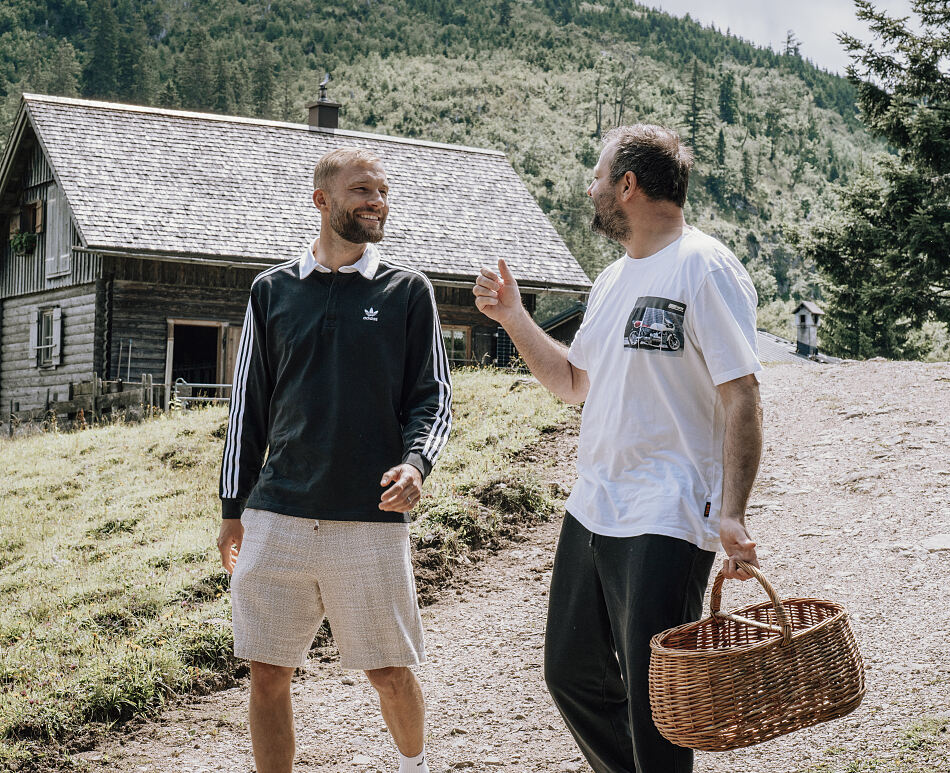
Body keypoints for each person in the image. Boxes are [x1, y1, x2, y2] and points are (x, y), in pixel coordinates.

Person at [473, 124, 763, 773]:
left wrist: (734, 512)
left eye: (598, 175)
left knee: (658, 707)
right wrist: (515, 317)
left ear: (626, 185)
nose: (590, 187)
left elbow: (742, 394)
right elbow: (572, 382)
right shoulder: (610, 281)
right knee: (571, 674)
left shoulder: (704, 266)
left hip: (667, 514)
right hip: (594, 506)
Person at [216, 147, 452, 773]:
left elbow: (434, 396)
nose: (376, 201)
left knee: (389, 670)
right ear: (322, 201)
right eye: (360, 190)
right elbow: (248, 408)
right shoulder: (271, 290)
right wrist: (231, 509)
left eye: (381, 191)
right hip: (278, 513)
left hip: (368, 516)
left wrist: (416, 463)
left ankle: (414, 767)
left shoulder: (407, 291)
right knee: (267, 670)